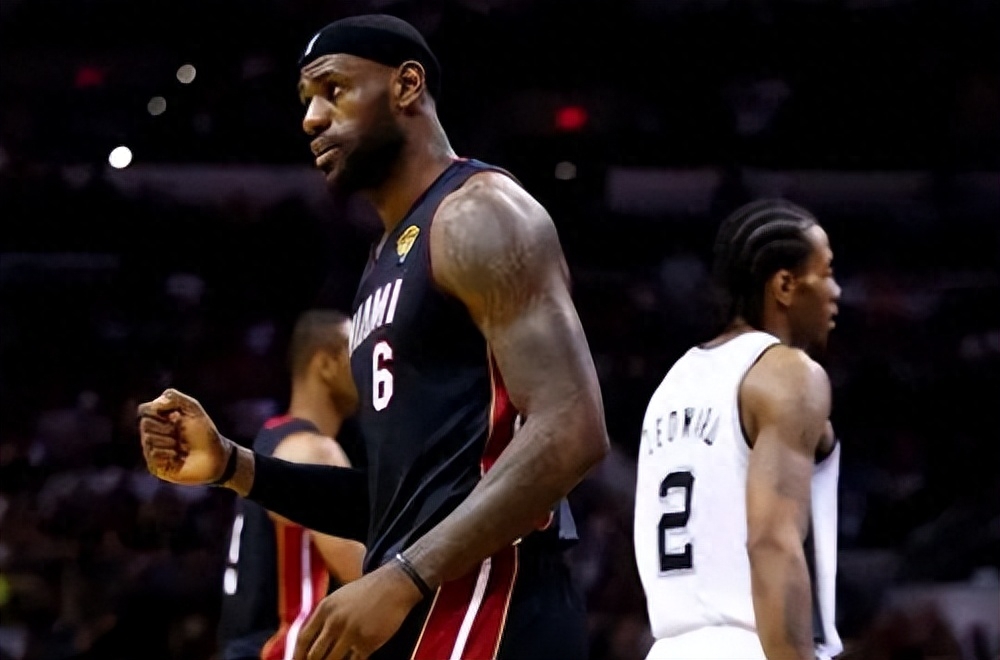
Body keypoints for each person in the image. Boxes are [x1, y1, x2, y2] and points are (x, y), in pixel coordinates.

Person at [137, 13, 609, 660]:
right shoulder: (382, 260)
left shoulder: (479, 214)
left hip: (491, 601)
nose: (312, 118)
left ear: (406, 85)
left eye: (333, 90)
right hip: (427, 600)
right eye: (306, 99)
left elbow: (573, 427)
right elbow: (395, 501)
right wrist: (233, 465)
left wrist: (404, 575)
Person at [633, 199, 843, 660]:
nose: (836, 290)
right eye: (826, 272)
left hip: (669, 647)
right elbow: (772, 541)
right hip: (756, 643)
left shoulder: (673, 382)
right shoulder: (790, 373)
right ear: (784, 285)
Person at [218, 310, 365, 660]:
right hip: (281, 649)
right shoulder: (313, 450)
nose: (370, 366)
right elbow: (361, 570)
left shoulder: (270, 438)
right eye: (358, 352)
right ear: (325, 364)